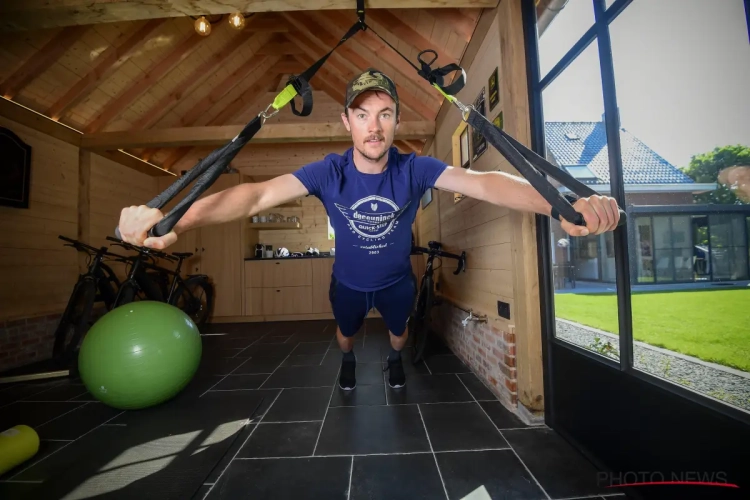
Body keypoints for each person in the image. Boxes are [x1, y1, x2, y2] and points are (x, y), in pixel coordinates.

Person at [117, 68, 621, 391]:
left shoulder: (415, 168)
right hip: (348, 284)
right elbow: (253, 195)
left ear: (396, 122)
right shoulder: (327, 172)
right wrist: (175, 219)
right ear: (347, 121)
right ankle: (349, 363)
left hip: (398, 281)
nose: (374, 126)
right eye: (363, 115)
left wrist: (561, 204)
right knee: (345, 334)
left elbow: (486, 183)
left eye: (384, 115)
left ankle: (395, 364)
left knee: (400, 335)